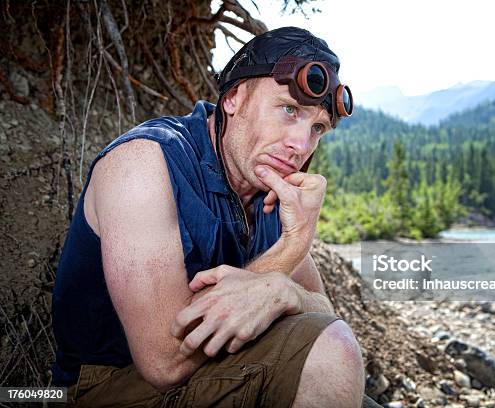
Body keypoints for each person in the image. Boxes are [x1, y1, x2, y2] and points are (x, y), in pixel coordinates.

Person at [51, 26, 379, 407]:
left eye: (317, 128)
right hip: (105, 388)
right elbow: (163, 361)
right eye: (289, 110)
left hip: (217, 371)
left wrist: (286, 290)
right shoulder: (142, 164)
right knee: (329, 355)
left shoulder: (266, 190)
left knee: (353, 388)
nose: (300, 146)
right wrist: (289, 249)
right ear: (234, 98)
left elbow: (324, 311)